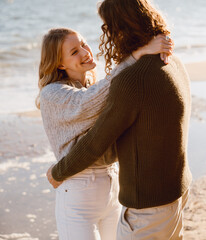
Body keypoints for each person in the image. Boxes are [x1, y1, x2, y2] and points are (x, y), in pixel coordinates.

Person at [47, 0, 193, 239]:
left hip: (149, 206)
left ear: (121, 28)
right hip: (178, 190)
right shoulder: (173, 62)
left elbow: (97, 141)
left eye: (108, 27)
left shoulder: (133, 80)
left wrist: (58, 172)